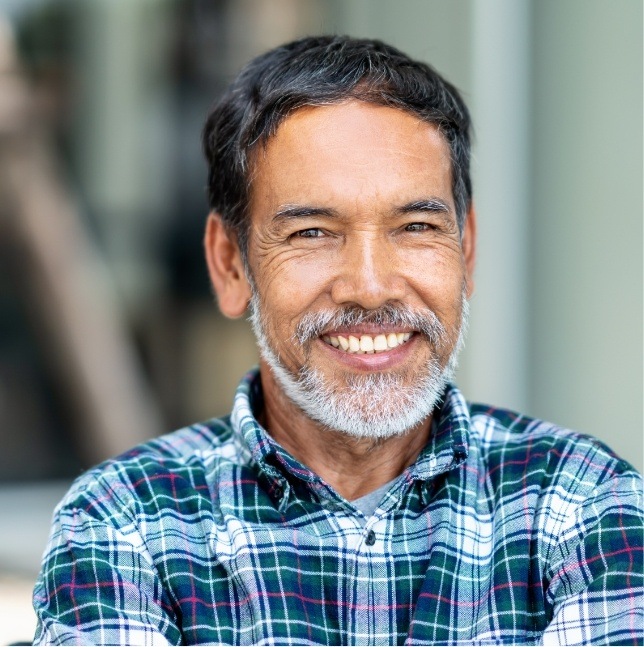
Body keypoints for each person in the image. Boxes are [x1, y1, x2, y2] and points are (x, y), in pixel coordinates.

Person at [33, 36, 643, 646]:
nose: (371, 288)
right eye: (313, 233)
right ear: (229, 264)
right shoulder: (125, 522)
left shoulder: (582, 502)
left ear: (467, 247)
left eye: (415, 227)